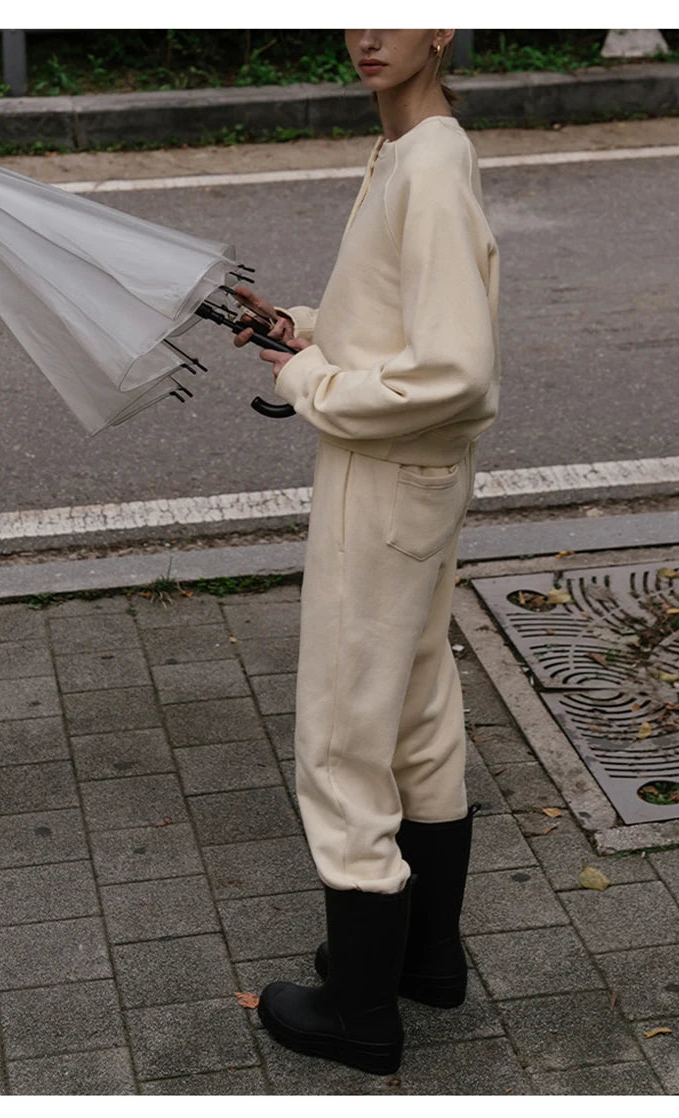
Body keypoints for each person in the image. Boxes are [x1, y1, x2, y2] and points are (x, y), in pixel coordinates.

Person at [232, 28, 500, 1076]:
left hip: (382, 476)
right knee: (417, 712)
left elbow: (455, 370)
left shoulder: (423, 164)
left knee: (343, 738)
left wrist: (309, 381)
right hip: (418, 480)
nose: (368, 31)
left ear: (444, 27)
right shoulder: (418, 146)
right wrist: (305, 328)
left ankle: (358, 1015)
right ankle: (425, 957)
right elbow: (397, 322)